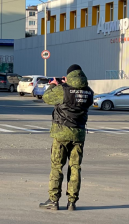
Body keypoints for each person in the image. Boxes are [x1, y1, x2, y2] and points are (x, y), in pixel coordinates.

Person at [39, 64, 94, 211]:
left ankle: (53, 200)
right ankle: (72, 202)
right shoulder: (89, 92)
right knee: (75, 167)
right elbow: (79, 99)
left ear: (68, 76)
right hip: (79, 134)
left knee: (57, 166)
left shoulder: (62, 90)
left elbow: (46, 98)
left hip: (61, 133)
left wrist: (53, 85)